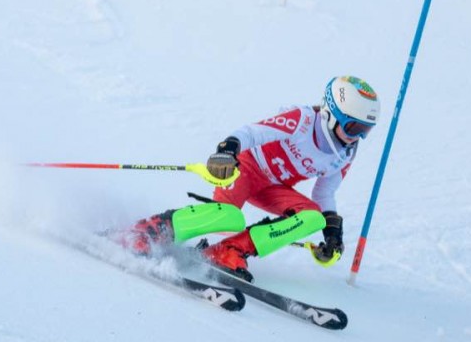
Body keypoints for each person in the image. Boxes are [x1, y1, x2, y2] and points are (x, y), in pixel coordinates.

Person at [125, 75, 381, 282]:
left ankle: (229, 250)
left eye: (365, 131)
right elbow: (252, 132)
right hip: (246, 168)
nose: (357, 137)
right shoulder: (303, 121)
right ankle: (152, 230)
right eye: (353, 127)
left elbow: (324, 193)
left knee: (314, 217)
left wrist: (332, 230)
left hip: (273, 188)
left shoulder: (345, 154)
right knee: (230, 218)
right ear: (330, 114)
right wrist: (229, 149)